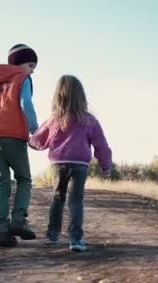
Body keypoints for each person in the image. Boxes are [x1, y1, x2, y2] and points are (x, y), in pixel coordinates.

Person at [28, 75, 112, 252]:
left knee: (57, 198)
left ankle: (52, 235)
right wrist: (106, 166)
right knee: (76, 202)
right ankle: (75, 240)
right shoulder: (89, 120)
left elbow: (38, 140)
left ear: (58, 95)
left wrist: (29, 142)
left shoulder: (54, 120)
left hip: (58, 164)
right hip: (80, 165)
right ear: (82, 96)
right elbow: (101, 145)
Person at [0, 44, 40, 247]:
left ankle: (2, 230)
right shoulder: (23, 78)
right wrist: (35, 130)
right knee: (24, 179)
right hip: (13, 133)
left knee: (1, 181)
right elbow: (26, 104)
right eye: (31, 65)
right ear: (20, 62)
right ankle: (18, 220)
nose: (32, 70)